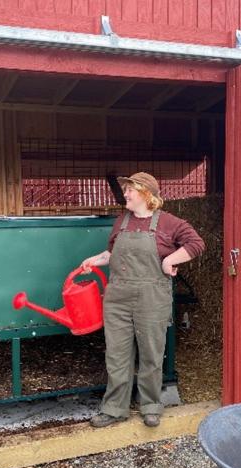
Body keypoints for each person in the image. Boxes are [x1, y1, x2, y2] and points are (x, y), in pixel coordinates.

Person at [80, 172, 204, 428]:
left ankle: (150, 405)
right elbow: (113, 253)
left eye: (130, 190)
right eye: (125, 190)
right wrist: (95, 260)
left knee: (150, 353)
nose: (125, 194)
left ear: (146, 194)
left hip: (152, 297)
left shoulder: (169, 223)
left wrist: (170, 260)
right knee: (117, 354)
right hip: (118, 298)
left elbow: (196, 243)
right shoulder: (122, 222)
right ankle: (115, 408)